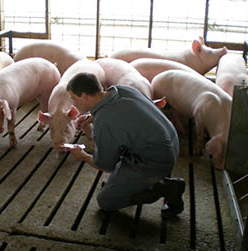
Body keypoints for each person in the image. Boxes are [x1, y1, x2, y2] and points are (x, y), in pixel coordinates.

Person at [63, 72, 185, 217]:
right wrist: (91, 117)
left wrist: (82, 156)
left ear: (84, 96)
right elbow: (124, 112)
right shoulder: (121, 89)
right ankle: (126, 183)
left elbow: (105, 165)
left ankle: (166, 188)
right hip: (171, 141)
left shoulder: (104, 122)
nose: (73, 104)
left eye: (74, 99)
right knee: (117, 173)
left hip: (155, 161)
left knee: (106, 201)